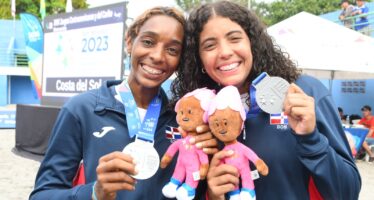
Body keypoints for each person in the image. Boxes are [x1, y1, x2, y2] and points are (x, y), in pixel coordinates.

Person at [171, 1, 361, 199]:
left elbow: (348, 192)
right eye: (210, 46)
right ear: (199, 58)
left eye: (235, 39)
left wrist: (311, 138)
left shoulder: (303, 92)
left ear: (253, 42)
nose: (225, 52)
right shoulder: (198, 114)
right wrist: (212, 194)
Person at [30, 7, 217, 200]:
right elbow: (42, 194)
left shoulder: (182, 119)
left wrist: (209, 172)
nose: (158, 56)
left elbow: (194, 190)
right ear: (129, 42)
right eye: (148, 42)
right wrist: (94, 193)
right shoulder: (82, 109)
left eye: (172, 50)